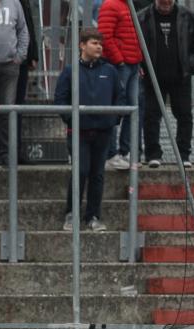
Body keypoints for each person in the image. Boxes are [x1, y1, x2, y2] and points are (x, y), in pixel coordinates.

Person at [55, 28, 122, 232]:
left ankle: (93, 216)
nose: (99, 46)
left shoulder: (110, 71)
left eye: (100, 43)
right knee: (81, 170)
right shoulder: (70, 71)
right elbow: (60, 99)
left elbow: (120, 98)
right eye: (94, 43)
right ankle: (71, 213)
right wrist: (72, 120)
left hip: (103, 132)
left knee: (97, 174)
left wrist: (112, 120)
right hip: (79, 133)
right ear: (82, 45)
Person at [137, 0, 194, 169]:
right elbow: (136, 44)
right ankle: (152, 154)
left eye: (169, 0)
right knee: (151, 116)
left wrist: (190, 67)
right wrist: (141, 66)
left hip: (180, 77)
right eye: (162, 1)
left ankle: (183, 154)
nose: (166, 3)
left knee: (184, 115)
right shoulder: (143, 17)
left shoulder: (188, 16)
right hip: (152, 78)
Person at [97, 0, 144, 170]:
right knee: (116, 109)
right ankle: (111, 154)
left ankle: (126, 152)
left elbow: (133, 37)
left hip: (132, 65)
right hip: (120, 65)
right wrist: (120, 60)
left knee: (133, 108)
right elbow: (105, 36)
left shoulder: (128, 5)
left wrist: (137, 61)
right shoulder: (111, 5)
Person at [0, 0, 28, 166]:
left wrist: (20, 56)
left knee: (7, 112)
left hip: (9, 67)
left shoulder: (14, 3)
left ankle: (6, 154)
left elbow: (23, 31)